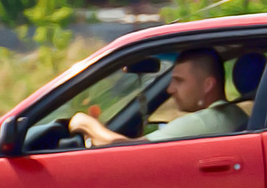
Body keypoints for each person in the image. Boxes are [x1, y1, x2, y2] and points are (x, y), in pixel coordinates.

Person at [70, 48, 245, 146]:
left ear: (207, 85)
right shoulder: (234, 113)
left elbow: (130, 150)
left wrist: (85, 124)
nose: (170, 89)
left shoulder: (204, 122)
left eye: (179, 81)